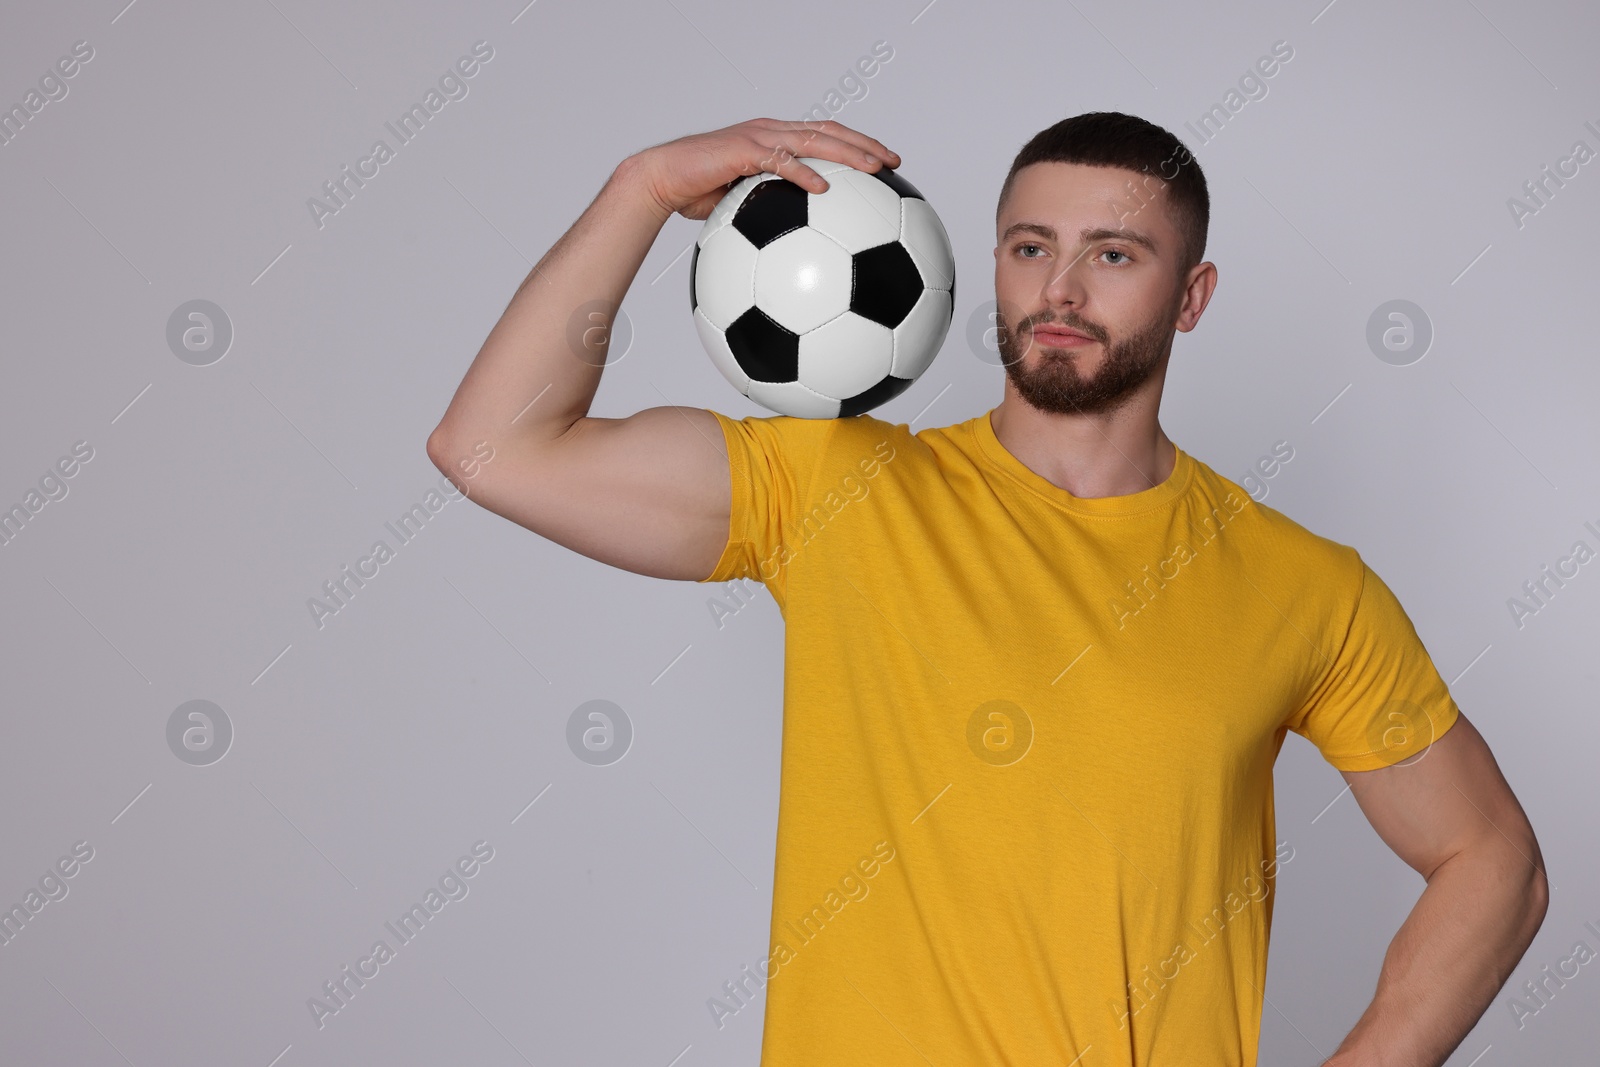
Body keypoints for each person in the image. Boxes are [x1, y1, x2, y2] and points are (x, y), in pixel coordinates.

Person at [426, 114, 1547, 1067]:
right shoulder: (838, 486)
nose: (1058, 289)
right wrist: (640, 187)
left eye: (1113, 254)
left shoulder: (1308, 586)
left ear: (1191, 295)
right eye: (1028, 246)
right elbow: (494, 448)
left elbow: (1493, 860)